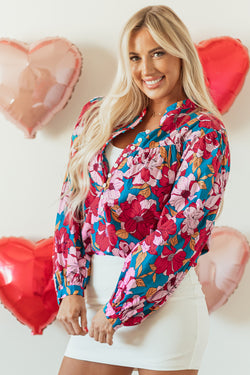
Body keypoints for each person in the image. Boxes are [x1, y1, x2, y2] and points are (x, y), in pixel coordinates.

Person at [53, 5, 230, 375]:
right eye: (135, 57)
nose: (146, 69)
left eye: (158, 52)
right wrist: (70, 288)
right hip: (92, 303)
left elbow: (181, 230)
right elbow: (72, 205)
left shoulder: (202, 131)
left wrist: (120, 307)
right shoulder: (97, 116)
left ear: (180, 52)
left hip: (163, 310)